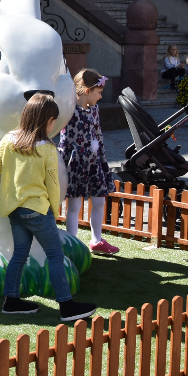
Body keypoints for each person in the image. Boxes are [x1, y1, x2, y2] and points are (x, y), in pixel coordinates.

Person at [0, 92, 97, 320]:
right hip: (38, 211)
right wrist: (53, 211)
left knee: (19, 255)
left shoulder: (10, 140)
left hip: (15, 211)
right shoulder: (47, 148)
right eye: (53, 119)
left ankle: (11, 301)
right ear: (47, 119)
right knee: (55, 256)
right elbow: (53, 185)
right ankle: (66, 306)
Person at [57, 69, 117, 255]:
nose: (100, 96)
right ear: (87, 91)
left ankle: (96, 240)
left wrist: (99, 151)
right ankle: (72, 243)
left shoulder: (94, 109)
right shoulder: (68, 109)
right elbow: (62, 137)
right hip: (74, 163)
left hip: (93, 160)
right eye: (98, 92)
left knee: (99, 200)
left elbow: (97, 132)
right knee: (74, 205)